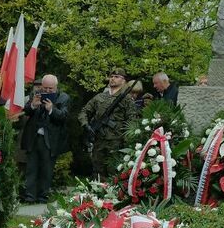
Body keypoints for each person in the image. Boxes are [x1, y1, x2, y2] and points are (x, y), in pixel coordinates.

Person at [78, 68, 138, 180]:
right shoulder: (99, 97)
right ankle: (97, 196)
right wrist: (86, 125)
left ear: (123, 81)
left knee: (114, 172)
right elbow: (84, 112)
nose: (112, 79)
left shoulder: (127, 99)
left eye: (116, 77)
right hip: (99, 141)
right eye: (111, 76)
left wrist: (126, 141)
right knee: (97, 172)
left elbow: (132, 122)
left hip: (116, 142)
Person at [20, 74, 71, 202]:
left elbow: (64, 116)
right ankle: (29, 196)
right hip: (34, 137)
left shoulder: (63, 97)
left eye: (50, 89)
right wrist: (33, 105)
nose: (47, 91)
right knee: (31, 168)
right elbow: (26, 110)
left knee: (47, 169)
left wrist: (51, 109)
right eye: (45, 88)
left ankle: (43, 196)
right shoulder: (36, 94)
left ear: (56, 87)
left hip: (51, 139)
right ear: (41, 86)